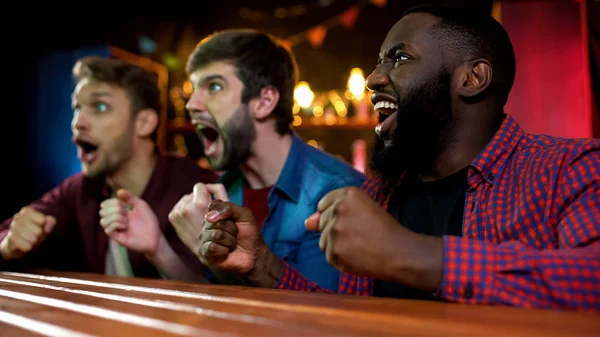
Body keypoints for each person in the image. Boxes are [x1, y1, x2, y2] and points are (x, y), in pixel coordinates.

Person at [201, 5, 600, 311]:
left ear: (472, 78)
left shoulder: (568, 169)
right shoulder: (380, 193)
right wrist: (260, 265)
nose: (374, 78)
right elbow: (348, 322)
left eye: (400, 58)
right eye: (379, 61)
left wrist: (410, 254)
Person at [107, 29, 365, 290]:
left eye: (214, 86)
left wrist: (221, 255)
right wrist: (157, 249)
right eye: (195, 89)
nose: (191, 104)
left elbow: (324, 318)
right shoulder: (225, 187)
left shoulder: (336, 192)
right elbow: (220, 302)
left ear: (264, 102)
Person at [0, 56, 217, 281]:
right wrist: (8, 245)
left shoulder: (196, 190)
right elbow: (6, 234)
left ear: (144, 123)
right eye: (77, 108)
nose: (78, 122)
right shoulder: (79, 189)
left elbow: (214, 291)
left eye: (100, 107)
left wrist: (159, 251)